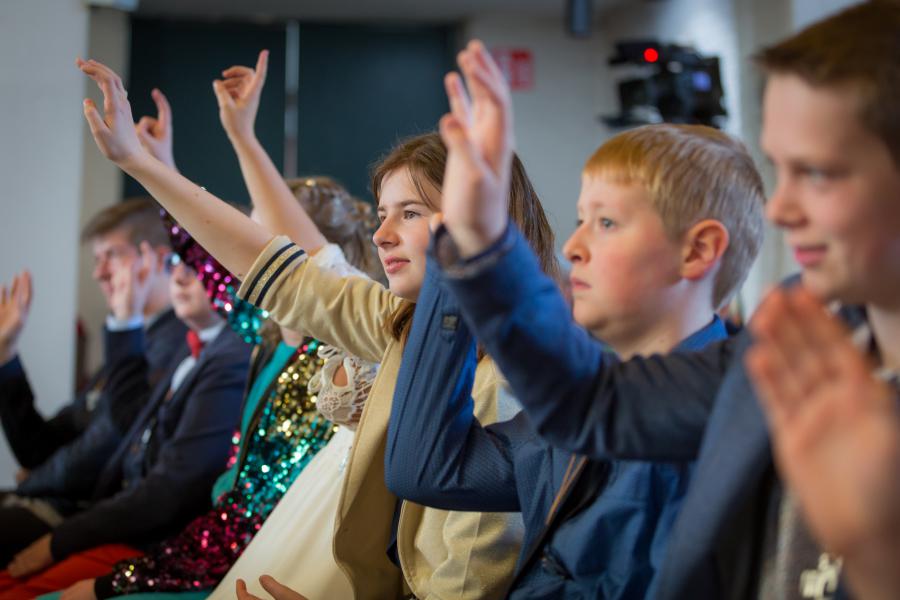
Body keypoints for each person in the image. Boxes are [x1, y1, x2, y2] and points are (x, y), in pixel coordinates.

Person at [427, 5, 900, 599]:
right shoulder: (805, 334)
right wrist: (482, 238)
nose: (782, 209)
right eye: (782, 171)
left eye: (820, 173)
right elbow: (595, 403)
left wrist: (880, 555)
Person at [77, 48, 558, 599]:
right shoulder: (401, 324)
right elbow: (275, 268)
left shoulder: (504, 378)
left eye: (410, 213)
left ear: (480, 215)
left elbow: (468, 582)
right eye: (381, 215)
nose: (381, 237)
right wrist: (139, 164)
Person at [386, 118, 765, 598]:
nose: (572, 247)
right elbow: (424, 471)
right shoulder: (583, 400)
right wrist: (454, 250)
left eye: (605, 223)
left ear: (697, 251)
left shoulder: (723, 422)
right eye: (581, 219)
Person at [0, 238, 251, 598]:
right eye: (179, 263)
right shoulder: (190, 344)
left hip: (142, 536)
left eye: (198, 265)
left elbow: (168, 484)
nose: (180, 277)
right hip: (108, 515)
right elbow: (123, 424)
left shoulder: (224, 354)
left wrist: (59, 533)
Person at [0, 199, 187, 565]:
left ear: (157, 259)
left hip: (81, 519)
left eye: (111, 256)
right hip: (49, 503)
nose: (98, 273)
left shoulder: (176, 344)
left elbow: (113, 443)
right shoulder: (134, 338)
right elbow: (39, 448)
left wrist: (34, 481)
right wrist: (6, 355)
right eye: (96, 259)